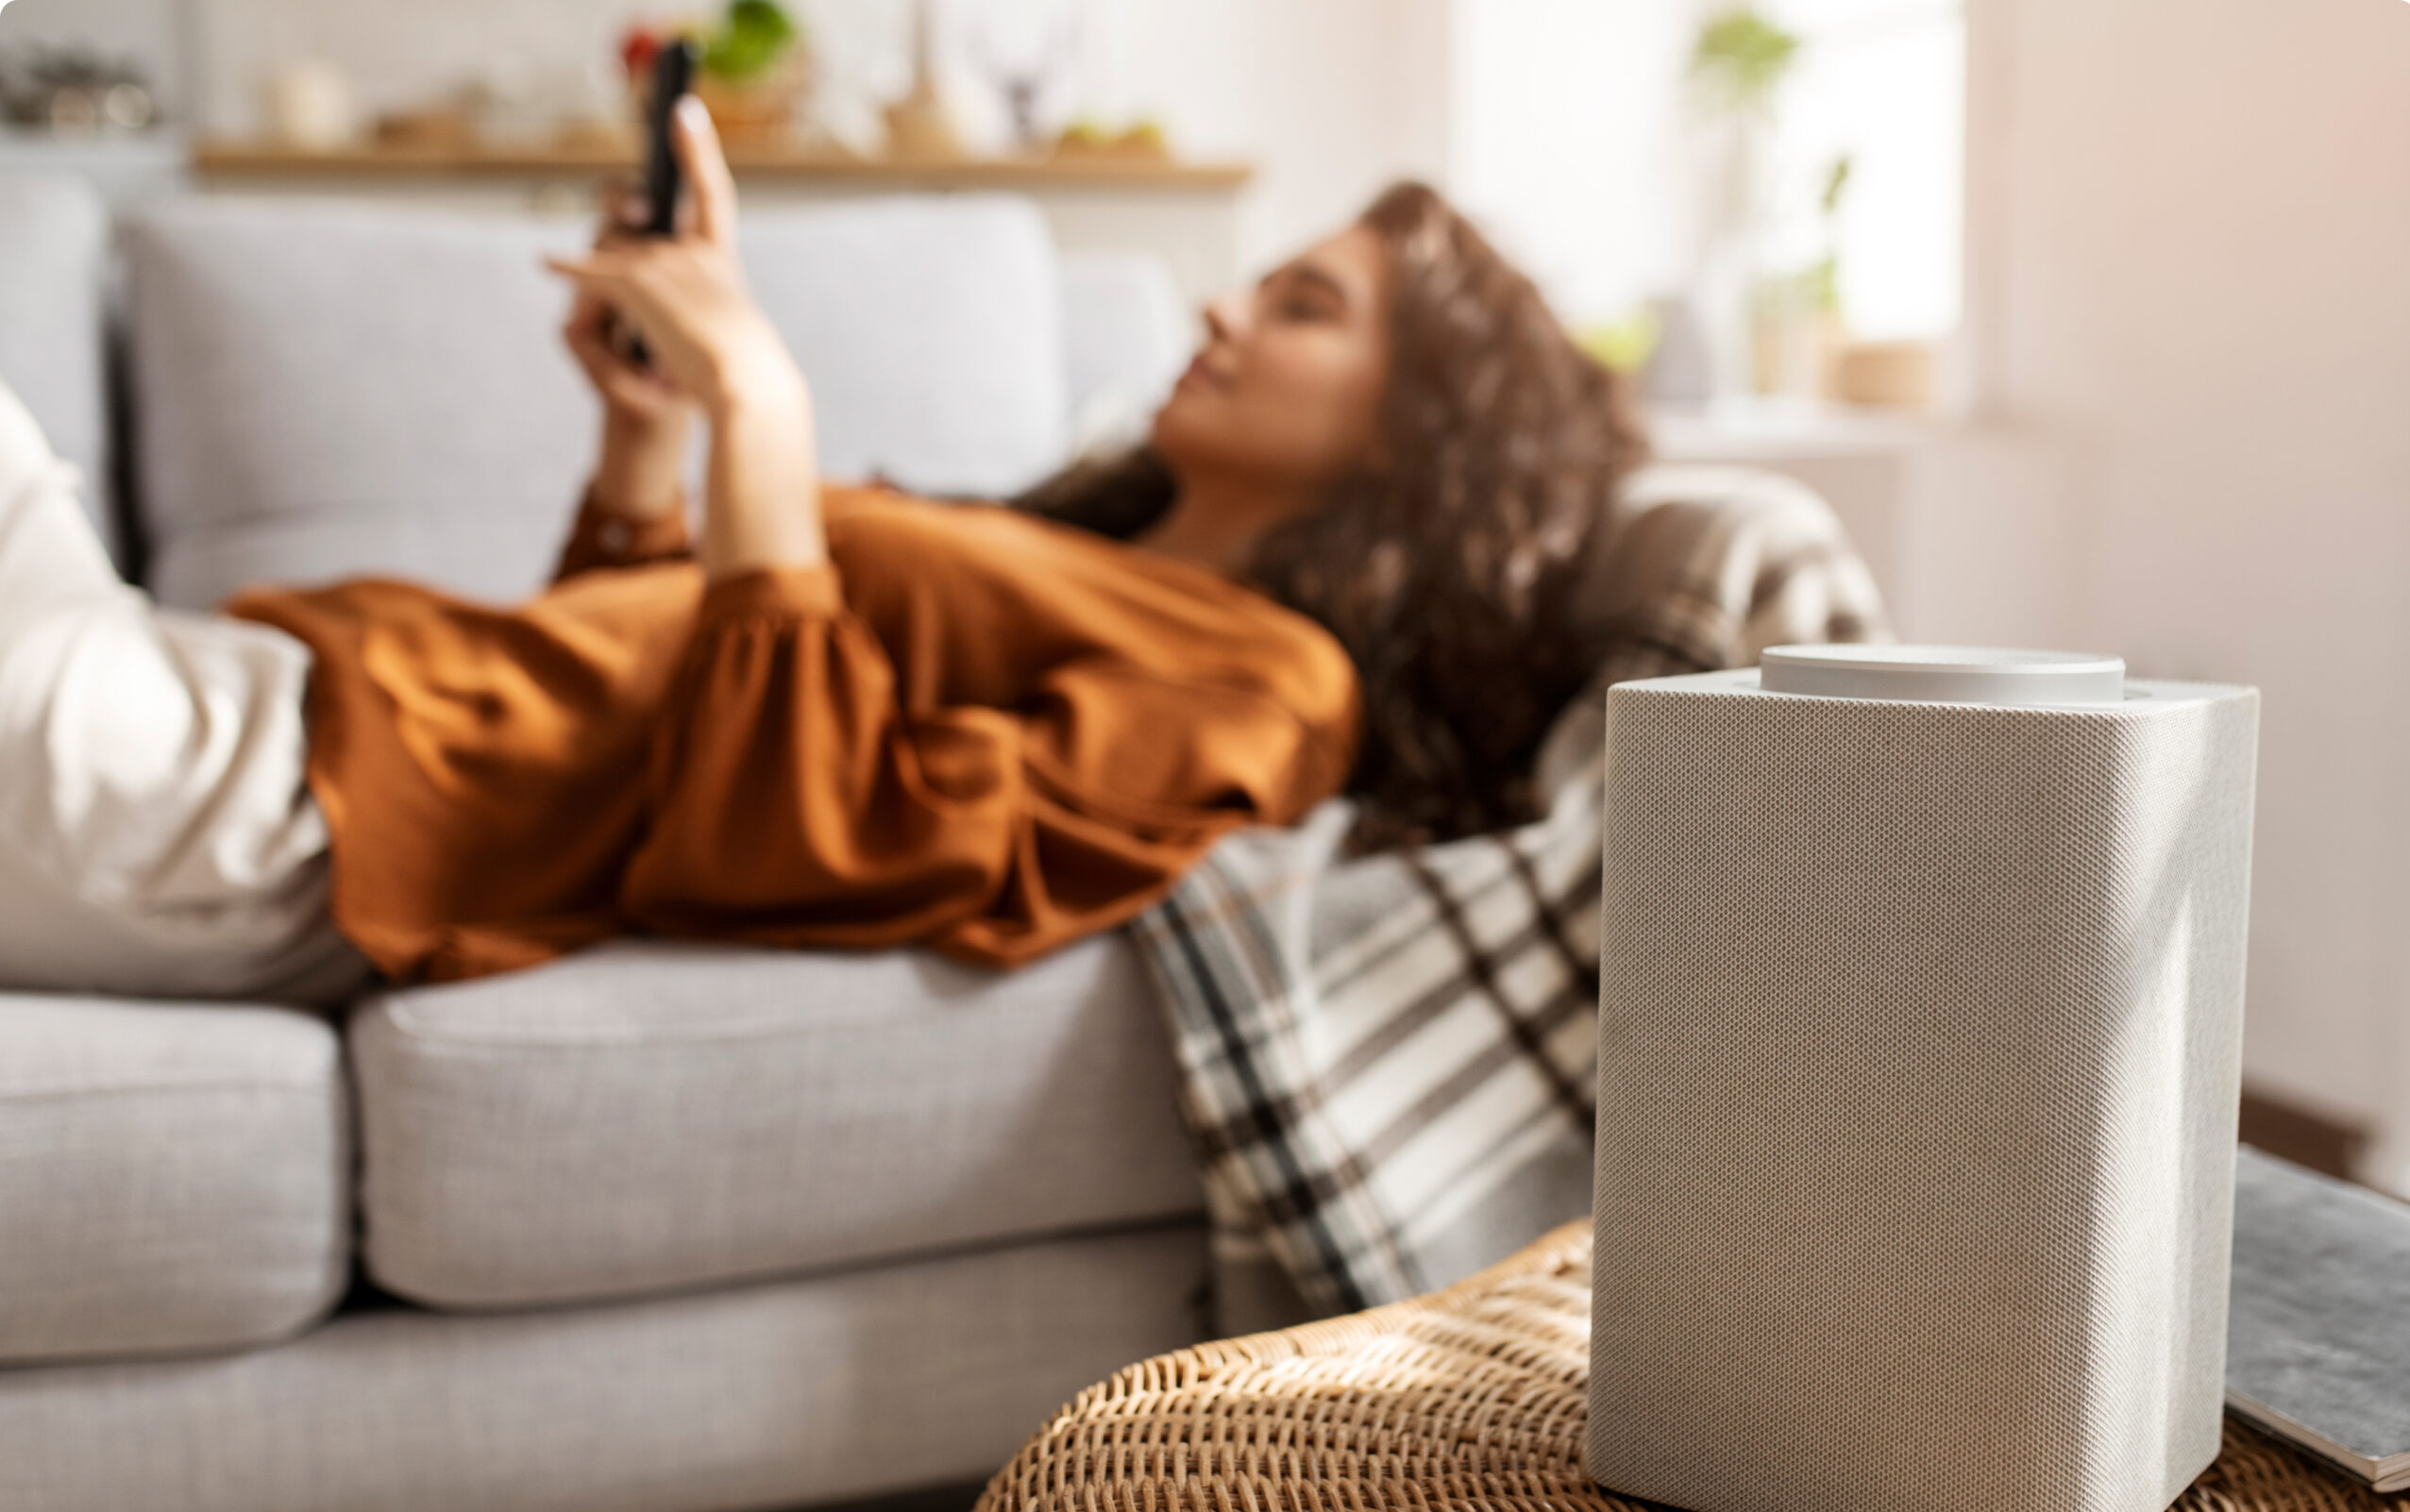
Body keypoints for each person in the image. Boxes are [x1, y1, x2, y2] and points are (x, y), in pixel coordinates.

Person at [0, 97, 1648, 1000]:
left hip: (261, 807)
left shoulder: (1267, 683)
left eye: (1303, 306)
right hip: (247, 711)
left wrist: (763, 409)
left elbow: (800, 846)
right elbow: (626, 704)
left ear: (1416, 425)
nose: (1222, 303)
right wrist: (653, 449)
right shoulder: (1086, 548)